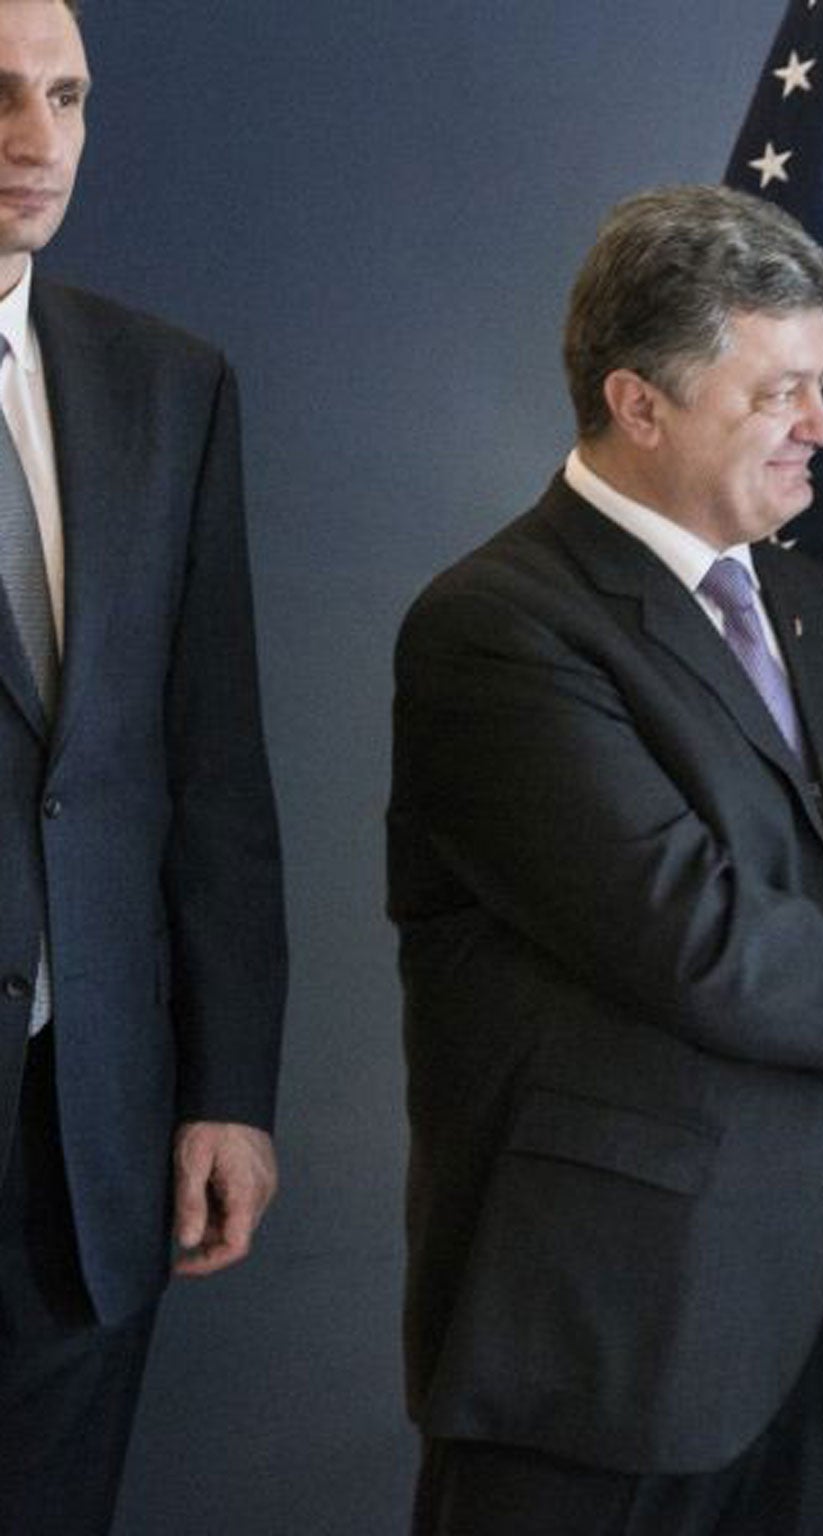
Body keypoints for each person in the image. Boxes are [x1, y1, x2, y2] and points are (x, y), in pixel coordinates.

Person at [389, 183, 823, 1536]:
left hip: (817, 1324)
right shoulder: (498, 631)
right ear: (639, 404)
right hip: (604, 1354)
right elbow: (702, 941)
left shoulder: (809, 609)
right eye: (780, 393)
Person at [0, 3, 287, 1532]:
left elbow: (212, 769)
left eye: (67, 97)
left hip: (84, 1138)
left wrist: (228, 1089)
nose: (39, 143)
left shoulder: (168, 385)